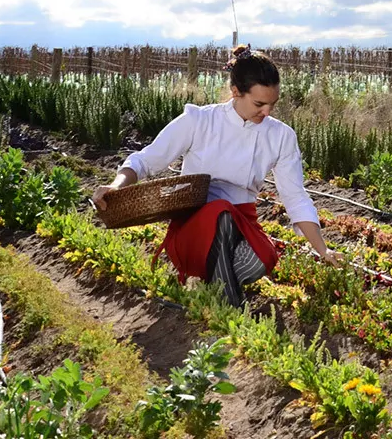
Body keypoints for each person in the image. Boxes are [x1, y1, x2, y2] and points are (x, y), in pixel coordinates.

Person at [92, 44, 342, 306]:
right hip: (192, 225)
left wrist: (322, 249)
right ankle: (231, 308)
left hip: (242, 220)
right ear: (235, 92)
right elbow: (145, 160)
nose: (266, 112)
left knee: (263, 261)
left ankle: (209, 288)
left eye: (272, 104)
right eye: (259, 103)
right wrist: (116, 185)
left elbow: (295, 197)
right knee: (220, 211)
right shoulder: (199, 121)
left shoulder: (281, 136)